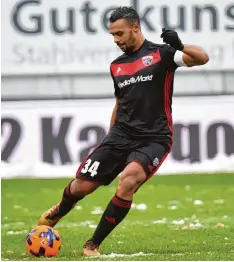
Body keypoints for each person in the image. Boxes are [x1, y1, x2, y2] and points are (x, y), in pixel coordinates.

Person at [38, 6, 209, 256]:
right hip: (120, 136)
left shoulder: (162, 54)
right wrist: (110, 137)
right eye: (113, 35)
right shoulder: (116, 66)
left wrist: (181, 46)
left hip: (154, 138)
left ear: (135, 27)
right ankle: (59, 210)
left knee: (127, 181)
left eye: (119, 34)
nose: (116, 40)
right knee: (80, 188)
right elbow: (120, 103)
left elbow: (202, 58)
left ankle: (92, 244)